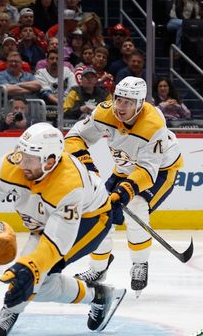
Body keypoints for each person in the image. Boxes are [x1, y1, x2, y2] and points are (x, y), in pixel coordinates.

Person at [0, 123, 122, 336]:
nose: (21, 163)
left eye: (29, 158)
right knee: (31, 276)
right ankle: (92, 296)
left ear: (50, 161)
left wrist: (33, 268)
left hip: (89, 220)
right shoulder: (13, 164)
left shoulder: (69, 185)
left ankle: (94, 296)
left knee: (39, 277)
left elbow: (55, 244)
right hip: (44, 220)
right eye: (21, 154)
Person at [66, 77, 184, 293]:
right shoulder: (104, 112)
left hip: (160, 172)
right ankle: (98, 268)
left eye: (128, 102)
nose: (120, 107)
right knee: (99, 212)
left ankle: (140, 263)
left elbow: (148, 171)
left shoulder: (153, 125)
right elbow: (74, 137)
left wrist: (125, 191)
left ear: (139, 104)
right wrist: (87, 165)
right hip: (125, 169)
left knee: (136, 206)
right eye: (118, 99)